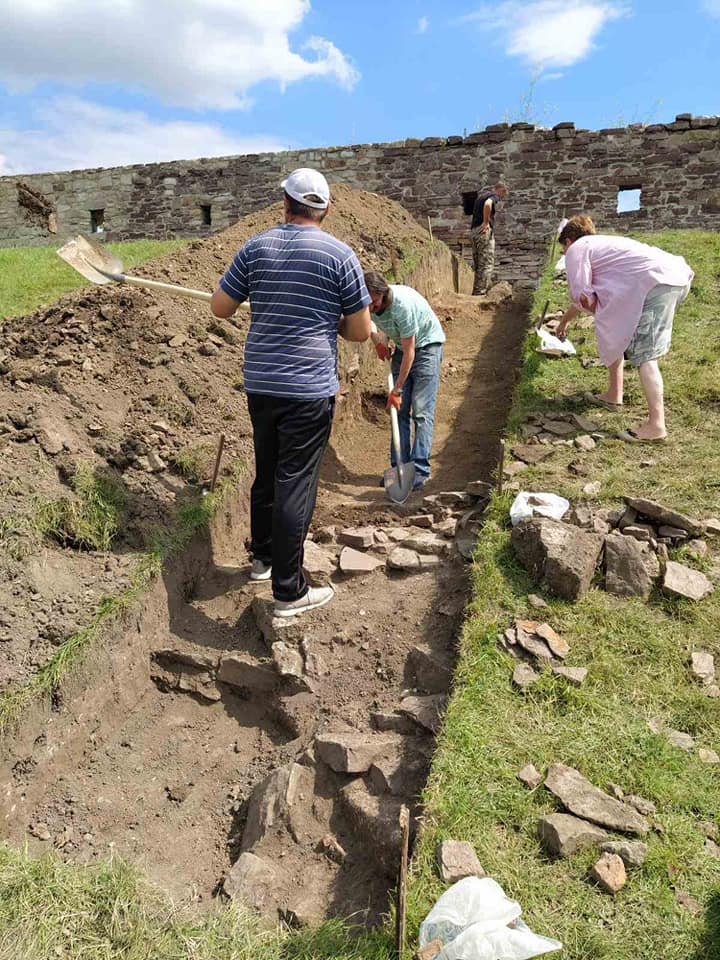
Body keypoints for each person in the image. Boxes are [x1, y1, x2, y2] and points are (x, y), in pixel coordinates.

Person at [210, 168, 372, 617]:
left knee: (267, 471)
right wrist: (329, 319)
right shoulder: (340, 255)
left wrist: (258, 297)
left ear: (284, 202)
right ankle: (289, 591)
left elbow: (221, 308)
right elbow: (359, 331)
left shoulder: (255, 247)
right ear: (326, 210)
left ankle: (262, 559)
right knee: (294, 484)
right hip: (307, 388)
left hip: (261, 384)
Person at [555, 215, 693, 441]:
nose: (564, 253)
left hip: (654, 284)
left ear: (568, 241)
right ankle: (613, 394)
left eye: (564, 248)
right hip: (668, 278)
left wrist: (590, 308)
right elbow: (586, 298)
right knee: (614, 327)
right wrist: (565, 320)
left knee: (645, 355)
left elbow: (580, 293)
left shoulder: (577, 249)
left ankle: (656, 426)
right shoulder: (602, 247)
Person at [364, 272, 445, 490]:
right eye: (367, 303)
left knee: (420, 411)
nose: (370, 307)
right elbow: (364, 319)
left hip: (426, 347)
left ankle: (420, 469)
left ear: (383, 294)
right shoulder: (367, 302)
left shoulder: (401, 307)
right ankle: (399, 466)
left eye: (374, 302)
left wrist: (397, 389)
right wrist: (377, 340)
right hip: (401, 346)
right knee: (398, 412)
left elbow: (411, 352)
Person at [469, 182, 508, 295]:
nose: (502, 197)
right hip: (483, 232)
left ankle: (476, 291)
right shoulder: (493, 197)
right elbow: (488, 205)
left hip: (474, 232)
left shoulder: (480, 197)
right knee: (486, 264)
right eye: (503, 193)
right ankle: (481, 293)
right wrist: (486, 222)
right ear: (499, 190)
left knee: (478, 264)